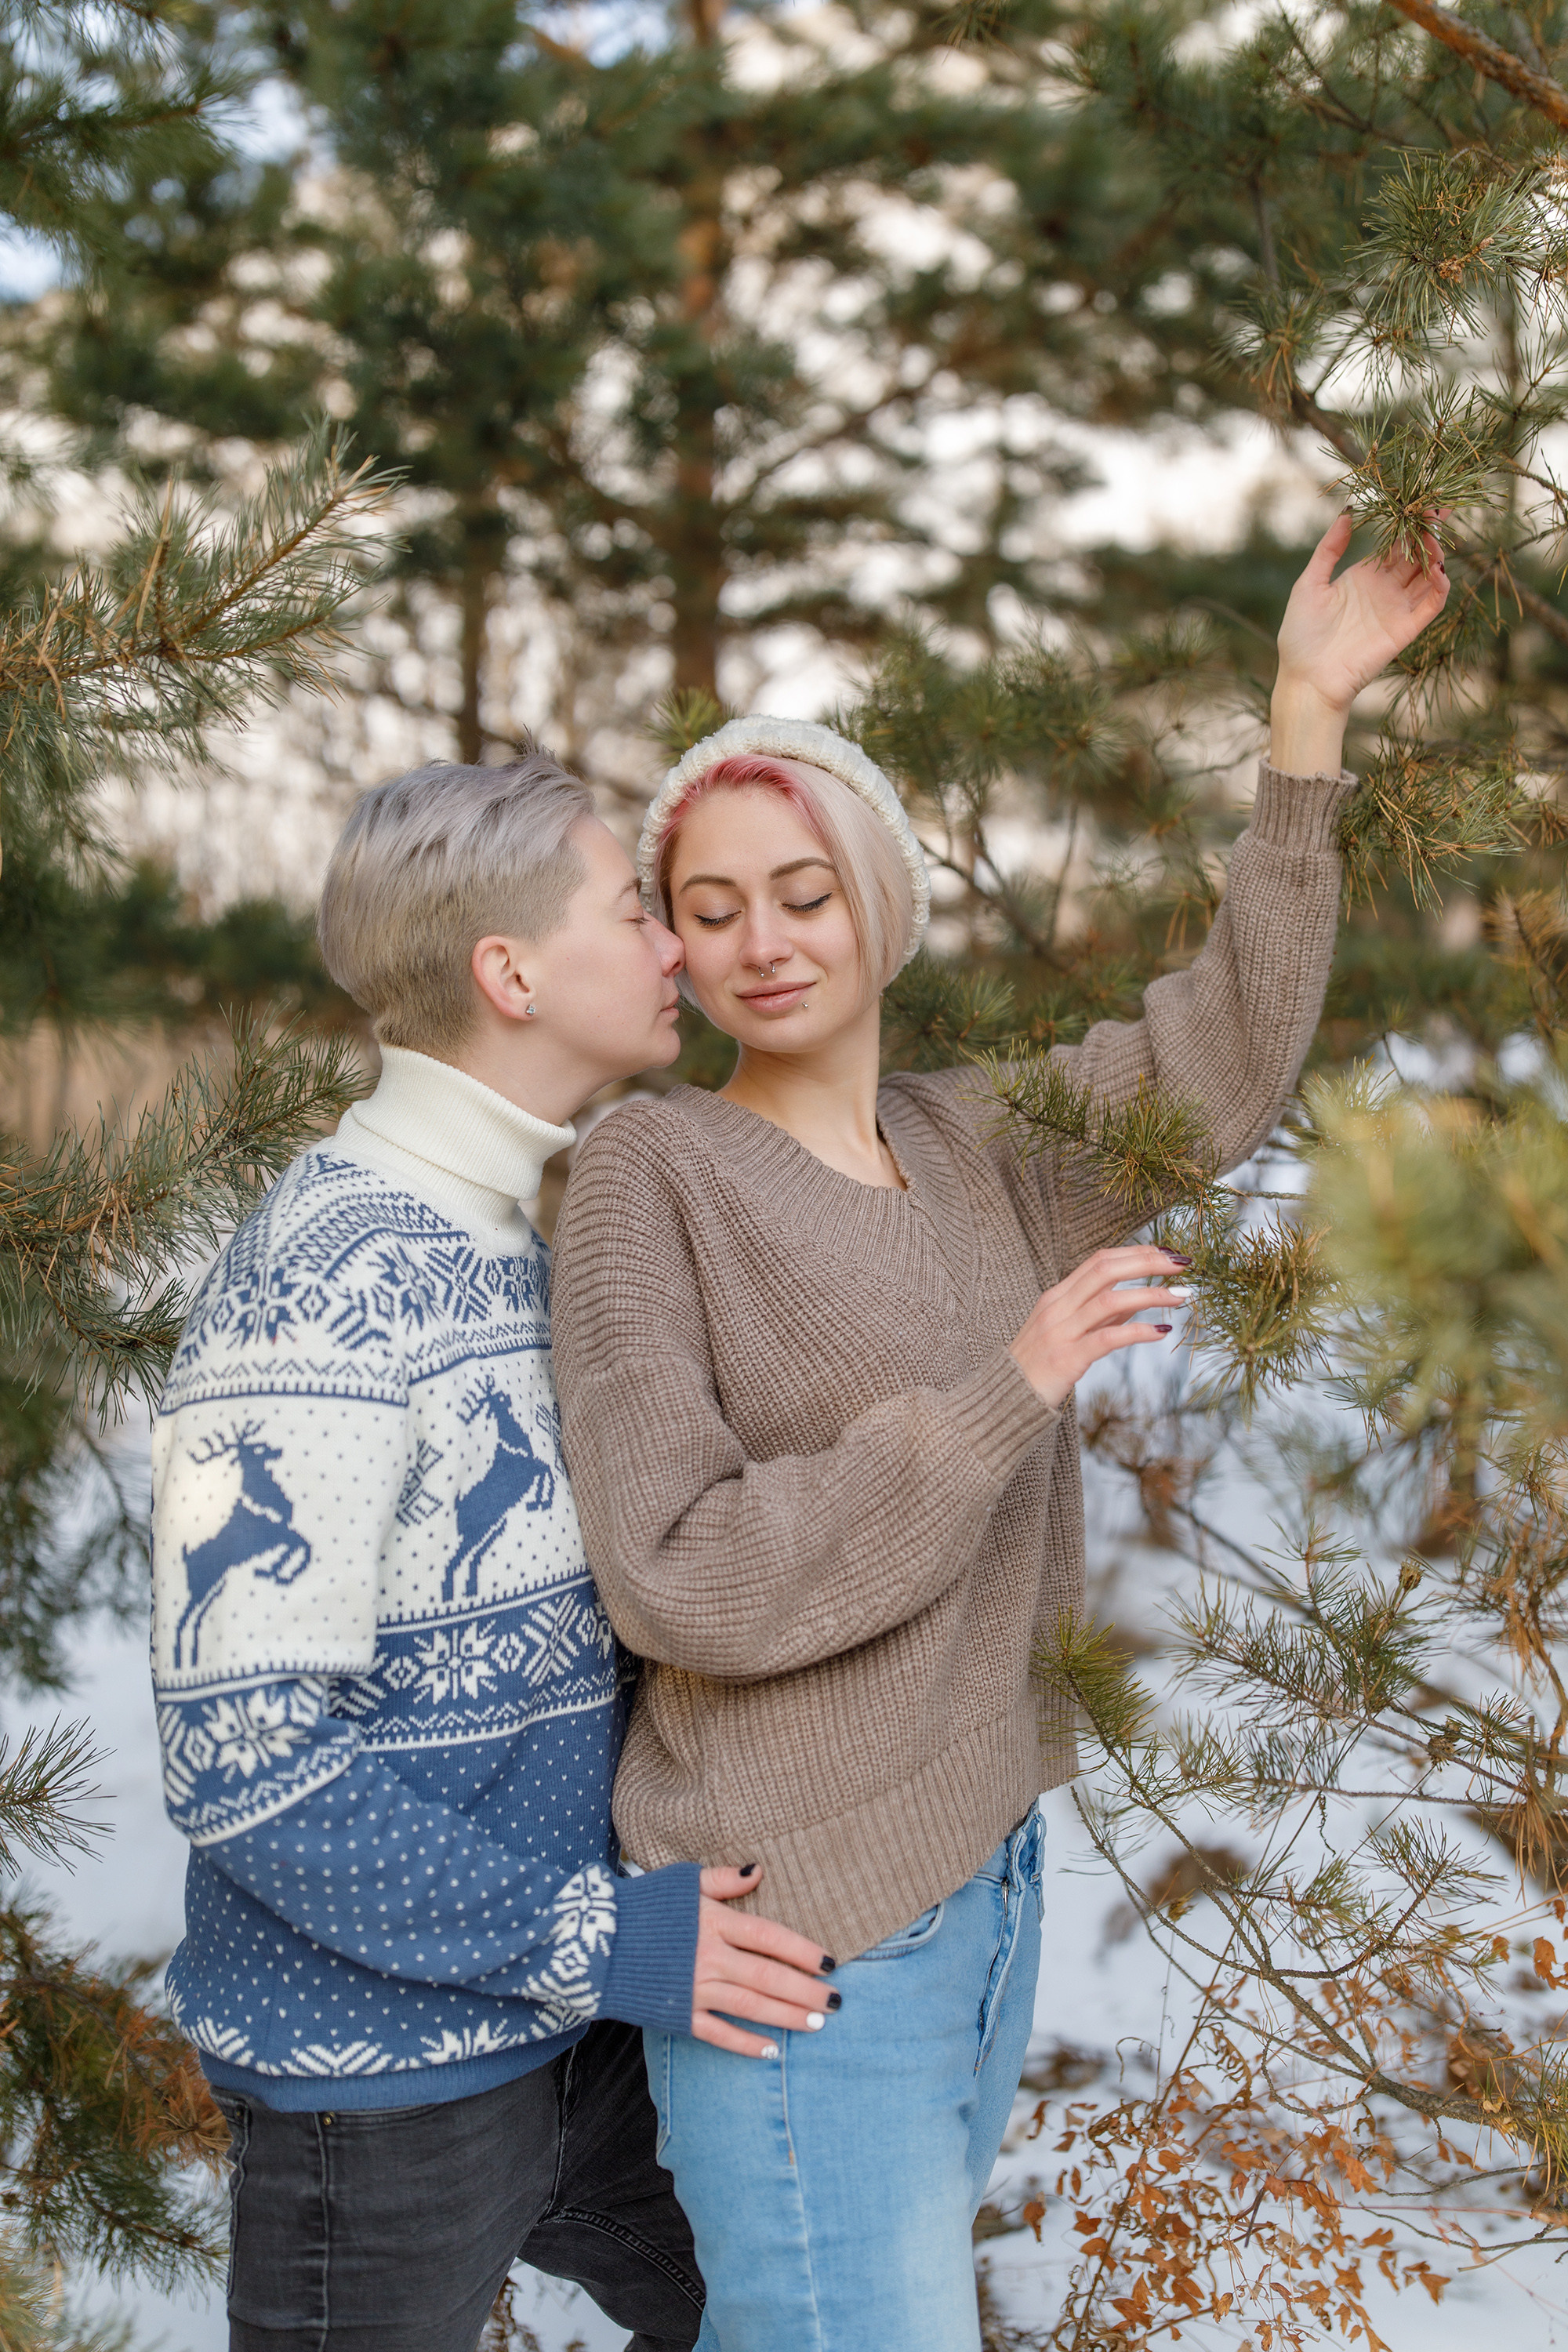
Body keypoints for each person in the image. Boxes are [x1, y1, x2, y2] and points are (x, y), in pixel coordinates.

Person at [547, 514, 1450, 2352]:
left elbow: (1218, 1060)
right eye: (708, 910)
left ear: (881, 903)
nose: (761, 942)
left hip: (979, 1880)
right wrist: (1004, 1392)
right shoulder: (650, 1171)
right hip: (796, 1930)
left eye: (802, 892)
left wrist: (1303, 721)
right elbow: (675, 1574)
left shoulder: (977, 1146)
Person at [148, 753, 837, 2352]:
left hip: (583, 2042)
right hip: (383, 2092)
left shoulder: (523, 1242)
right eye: (630, 911)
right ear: (511, 974)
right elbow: (242, 1761)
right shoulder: (315, 1284)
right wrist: (602, 1940)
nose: (673, 943)